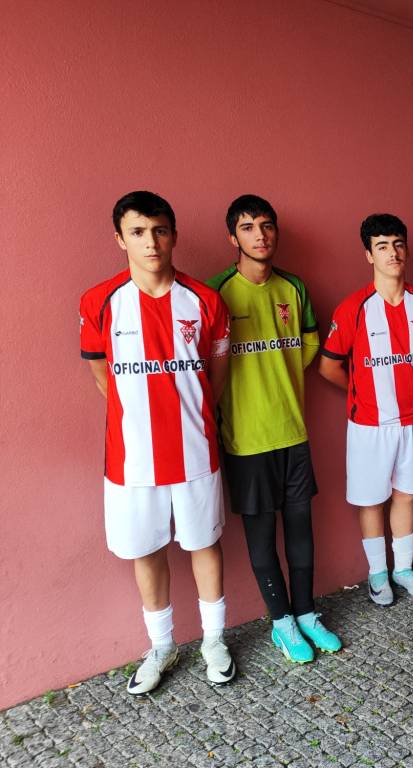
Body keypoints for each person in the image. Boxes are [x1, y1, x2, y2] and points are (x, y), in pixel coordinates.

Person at [80, 191, 235, 695]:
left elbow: (217, 376)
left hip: (195, 450)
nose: (151, 242)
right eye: (138, 232)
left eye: (160, 231)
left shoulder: (205, 301)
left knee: (204, 543)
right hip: (131, 459)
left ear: (174, 235)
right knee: (145, 550)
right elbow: (102, 375)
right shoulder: (99, 302)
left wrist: (189, 414)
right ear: (120, 239)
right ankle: (162, 646)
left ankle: (214, 640)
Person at [208, 195, 341, 664]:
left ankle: (306, 613)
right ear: (233, 237)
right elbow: (204, 362)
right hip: (246, 440)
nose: (259, 235)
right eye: (247, 227)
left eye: (266, 225)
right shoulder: (216, 292)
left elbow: (309, 344)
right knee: (262, 537)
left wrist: (278, 378)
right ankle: (281, 623)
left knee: (302, 529)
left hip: (293, 433)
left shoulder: (294, 287)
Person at [319, 214, 413, 606]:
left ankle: (403, 569)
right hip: (369, 423)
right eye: (382, 246)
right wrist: (364, 388)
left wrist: (409, 376)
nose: (392, 253)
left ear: (406, 249)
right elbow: (328, 366)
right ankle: (378, 574)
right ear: (369, 255)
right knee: (371, 499)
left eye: (397, 244)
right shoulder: (354, 308)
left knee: (407, 495)